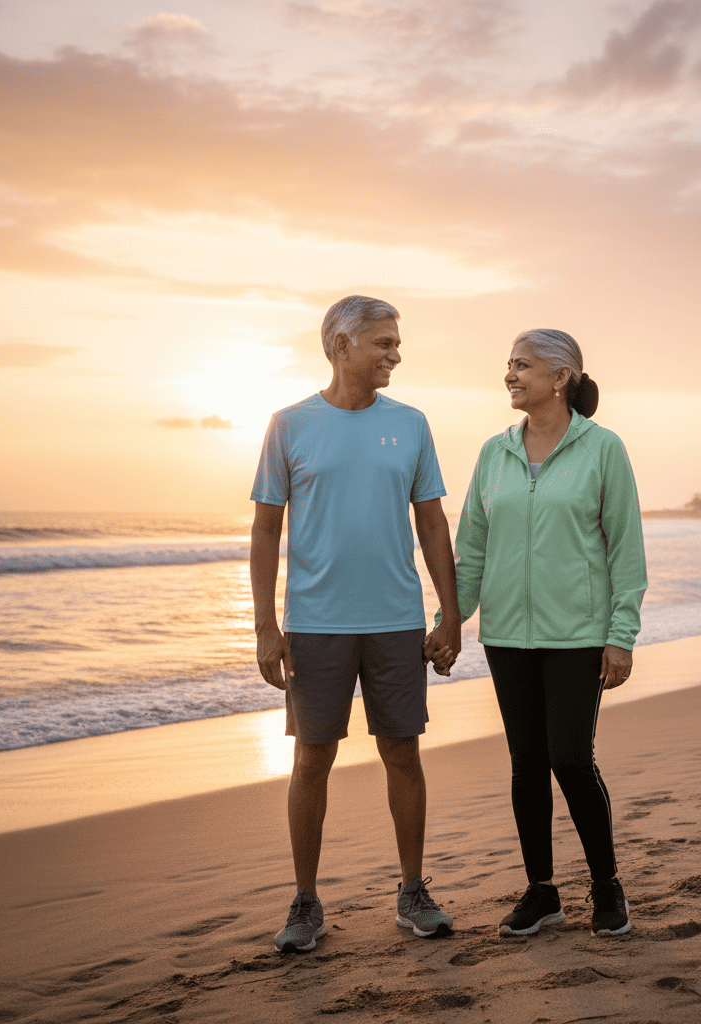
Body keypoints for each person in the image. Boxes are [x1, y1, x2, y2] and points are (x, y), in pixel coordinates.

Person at [250, 295, 462, 953]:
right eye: (384, 343)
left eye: (396, 343)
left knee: (403, 752)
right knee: (312, 758)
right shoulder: (289, 425)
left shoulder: (412, 423)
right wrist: (264, 627)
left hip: (396, 620)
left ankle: (412, 890)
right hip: (315, 625)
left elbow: (430, 522)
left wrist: (449, 613)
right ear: (341, 345)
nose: (395, 354)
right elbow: (264, 529)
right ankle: (306, 901)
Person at [425, 328, 647, 939]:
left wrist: (621, 634)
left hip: (578, 634)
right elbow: (472, 547)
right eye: (508, 364)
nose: (510, 375)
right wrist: (452, 620)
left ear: (560, 378)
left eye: (523, 365)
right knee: (527, 764)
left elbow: (626, 548)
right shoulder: (494, 454)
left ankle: (607, 886)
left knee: (571, 760)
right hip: (508, 637)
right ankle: (542, 891)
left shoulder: (604, 449)